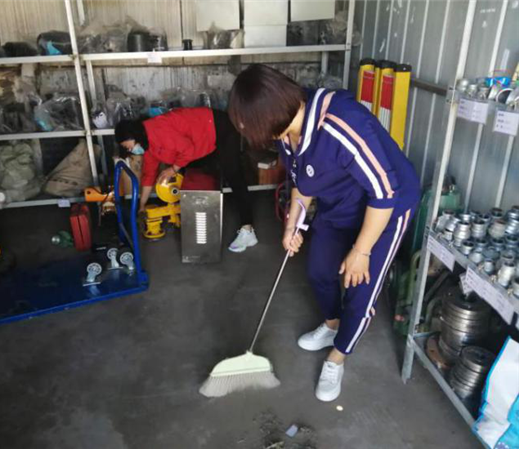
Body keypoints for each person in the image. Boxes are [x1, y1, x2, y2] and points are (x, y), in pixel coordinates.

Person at [228, 64, 421, 401]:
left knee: (360, 288)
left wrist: (361, 251)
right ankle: (332, 326)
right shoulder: (286, 133)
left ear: (272, 113)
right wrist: (292, 225)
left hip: (388, 204)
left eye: (256, 129)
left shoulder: (342, 124)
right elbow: (302, 184)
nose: (262, 138)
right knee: (319, 269)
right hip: (343, 198)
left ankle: (337, 357)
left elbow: (384, 193)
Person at [115, 107, 257, 253]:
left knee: (233, 175)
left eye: (127, 146)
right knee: (195, 169)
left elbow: (187, 149)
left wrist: (173, 169)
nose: (130, 150)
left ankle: (248, 230)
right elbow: (149, 175)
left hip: (219, 127)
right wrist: (142, 205)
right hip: (202, 137)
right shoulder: (147, 145)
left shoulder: (157, 130)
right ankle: (203, 218)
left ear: (132, 136)